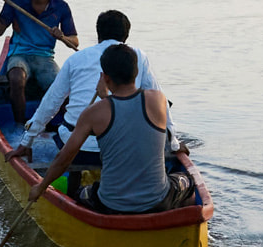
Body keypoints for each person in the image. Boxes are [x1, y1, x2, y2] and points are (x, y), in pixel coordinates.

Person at [32, 43, 188, 214]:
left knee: (81, 193)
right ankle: (182, 222)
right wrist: (107, 97)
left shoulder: (93, 114)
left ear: (105, 78)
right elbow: (129, 118)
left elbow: (64, 158)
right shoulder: (158, 100)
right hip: (158, 201)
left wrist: (41, 187)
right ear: (136, 73)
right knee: (188, 182)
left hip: (111, 205)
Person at [20, 9, 157, 176]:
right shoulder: (139, 57)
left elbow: (51, 102)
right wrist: (174, 144)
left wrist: (27, 141)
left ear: (98, 34)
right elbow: (157, 101)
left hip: (80, 149)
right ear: (126, 38)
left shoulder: (76, 59)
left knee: (71, 130)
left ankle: (75, 185)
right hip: (123, 149)